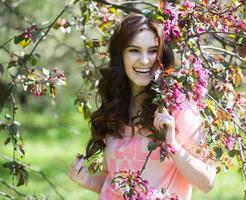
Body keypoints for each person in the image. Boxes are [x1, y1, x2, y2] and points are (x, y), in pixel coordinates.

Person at [68, 13, 216, 200]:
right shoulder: (115, 108)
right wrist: (86, 180)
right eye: (134, 50)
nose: (145, 60)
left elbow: (207, 182)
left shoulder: (177, 107)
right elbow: (112, 180)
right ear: (120, 55)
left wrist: (171, 144)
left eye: (153, 51)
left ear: (161, 55)